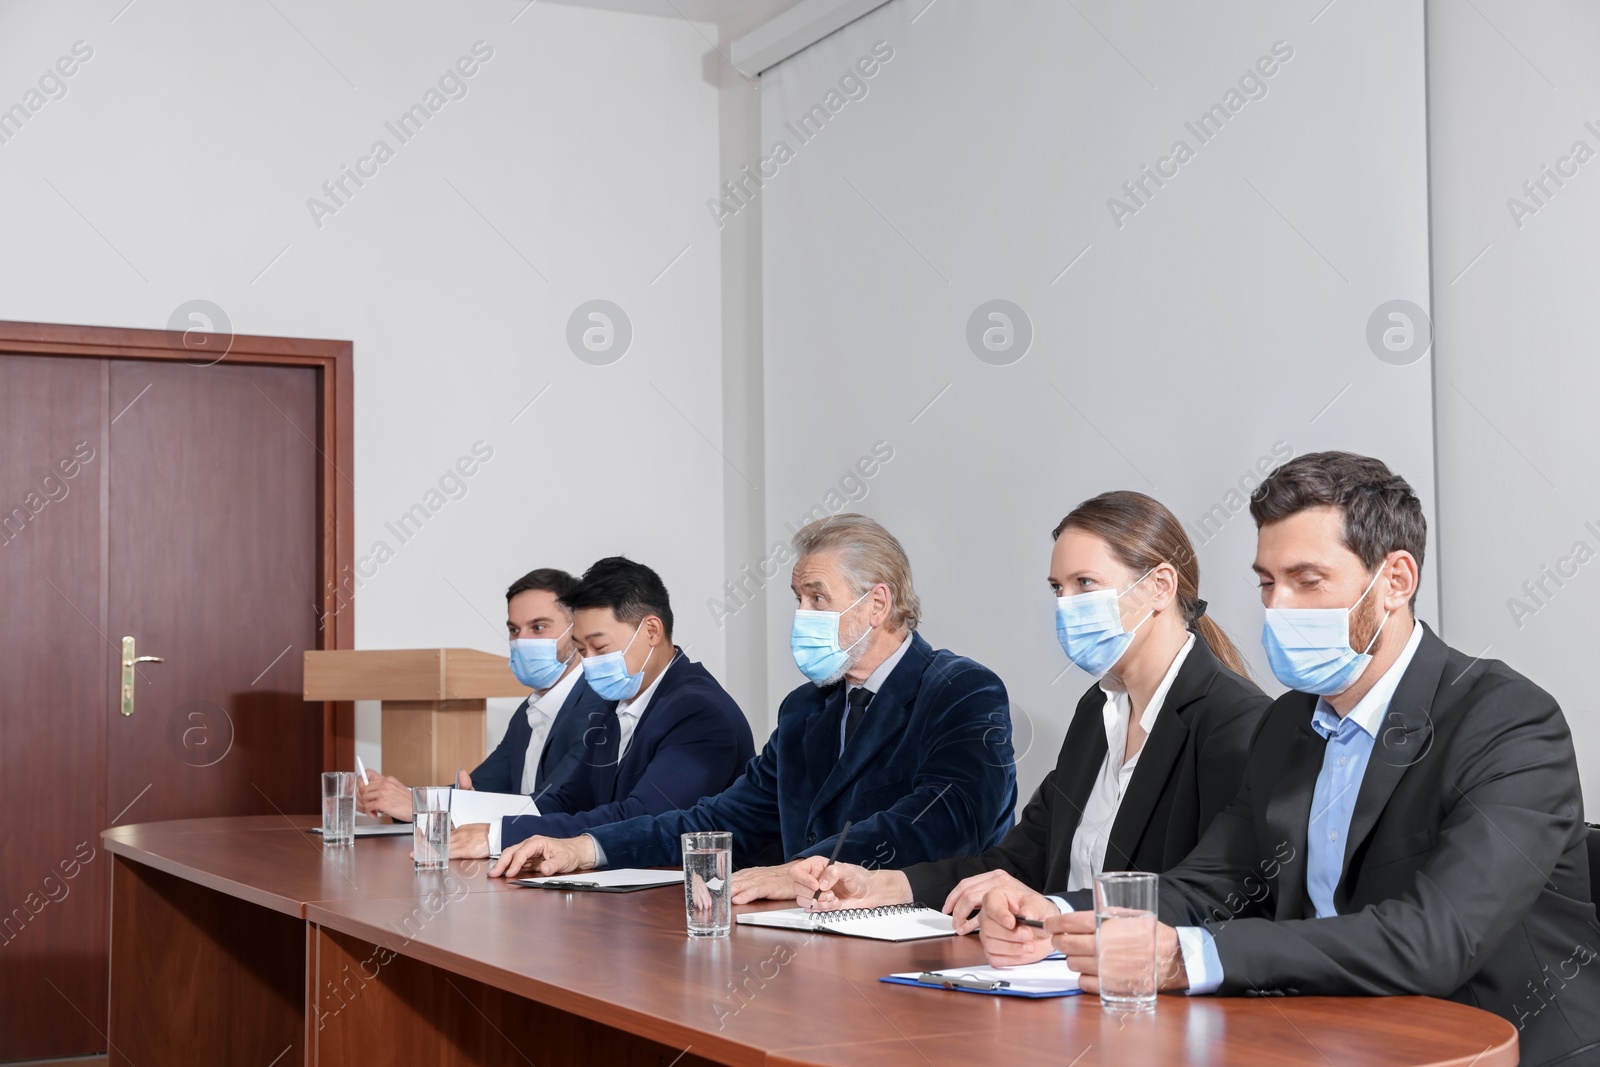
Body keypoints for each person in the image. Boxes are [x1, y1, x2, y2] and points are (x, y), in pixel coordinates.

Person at [982, 452, 1600, 1067]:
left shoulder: (1507, 720)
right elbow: (1211, 885)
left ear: (1395, 581)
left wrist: (1189, 957)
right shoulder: (1288, 723)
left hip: (1491, 1046)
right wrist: (1058, 913)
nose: (1277, 607)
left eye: (1308, 580)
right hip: (1331, 1034)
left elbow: (1437, 938)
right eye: (1267, 581)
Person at [793, 492, 1269, 930]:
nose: (1066, 605)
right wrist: (884, 885)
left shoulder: (1235, 720)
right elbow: (1022, 861)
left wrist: (1057, 909)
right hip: (1068, 980)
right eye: (1057, 588)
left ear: (1160, 586)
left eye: (1085, 583)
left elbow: (1217, 893)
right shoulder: (1097, 712)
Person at [486, 514, 1017, 888]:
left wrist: (797, 870)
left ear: (876, 604)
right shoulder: (805, 710)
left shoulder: (961, 689)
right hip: (803, 937)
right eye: (798, 599)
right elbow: (722, 817)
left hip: (925, 943)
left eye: (817, 597)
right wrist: (587, 847)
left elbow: (935, 825)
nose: (802, 614)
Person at [450, 556, 755, 857]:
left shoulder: (698, 711)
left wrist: (499, 836)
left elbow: (642, 817)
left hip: (697, 892)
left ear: (651, 631)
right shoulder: (617, 702)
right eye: (582, 649)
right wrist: (483, 819)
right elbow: (571, 798)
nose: (590, 662)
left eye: (600, 647)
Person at [357, 567, 611, 820]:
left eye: (538, 627)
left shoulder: (600, 706)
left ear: (576, 632)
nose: (521, 641)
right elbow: (478, 790)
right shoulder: (528, 711)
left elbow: (556, 803)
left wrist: (418, 805)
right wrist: (394, 797)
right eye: (514, 630)